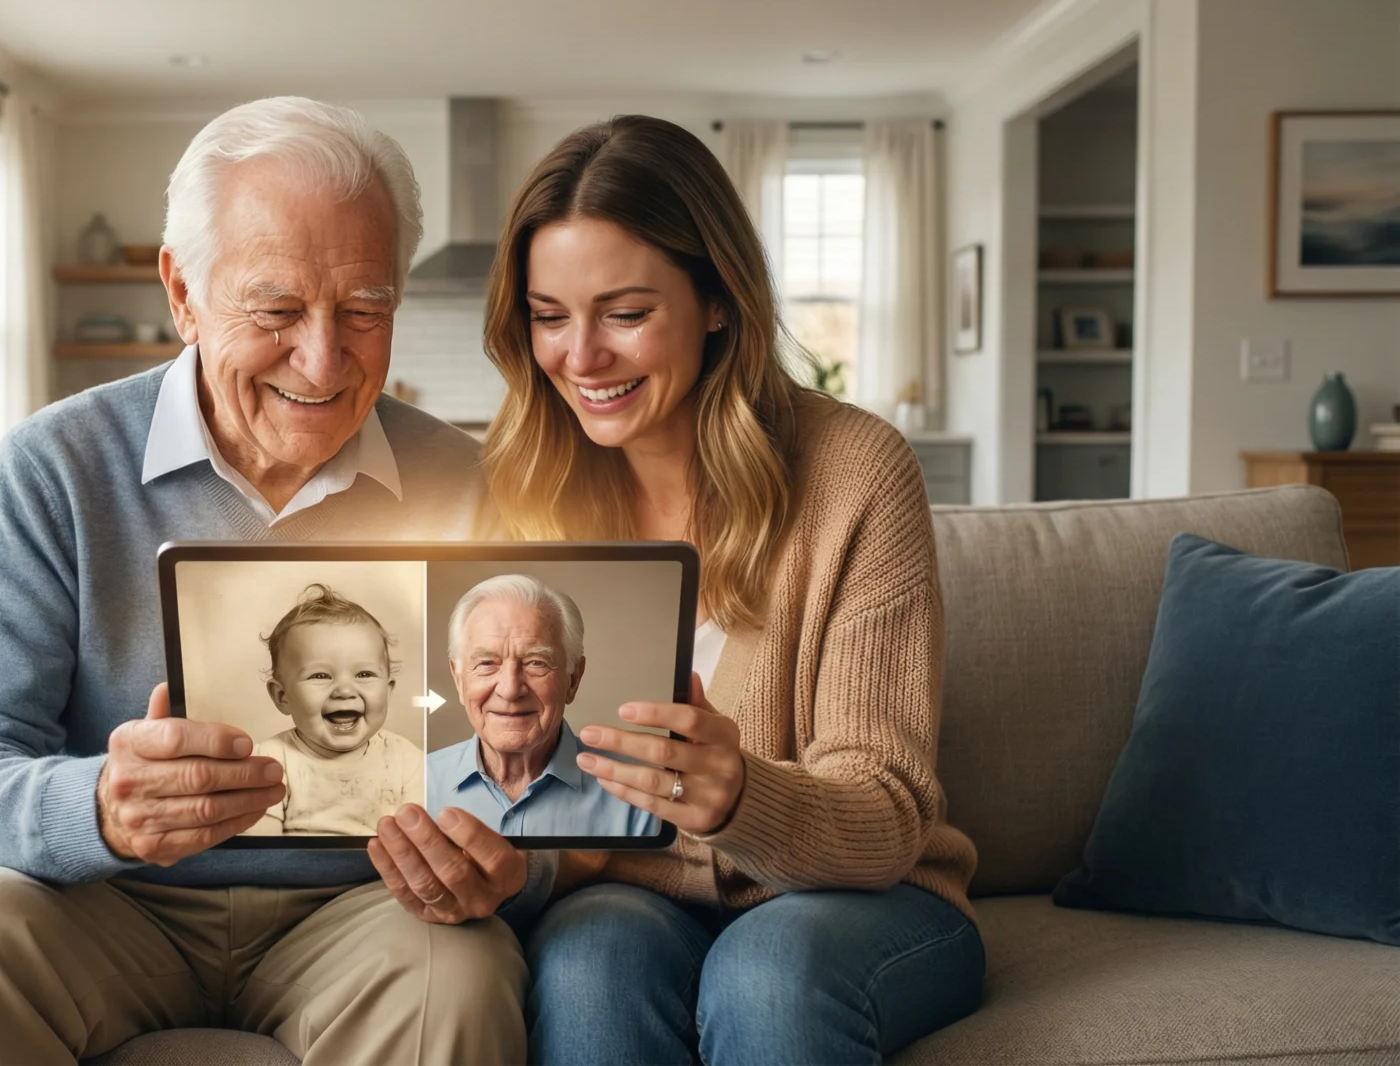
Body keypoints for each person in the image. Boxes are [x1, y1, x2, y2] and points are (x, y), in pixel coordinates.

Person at [0, 97, 527, 1066]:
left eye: (365, 311)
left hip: (365, 908)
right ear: (182, 291)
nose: (323, 357)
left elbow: (525, 779)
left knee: (459, 978)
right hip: (99, 900)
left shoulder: (469, 481)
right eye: (277, 309)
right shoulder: (57, 463)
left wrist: (503, 865)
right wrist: (98, 806)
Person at [367, 114, 984, 1065]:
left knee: (767, 977)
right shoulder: (519, 488)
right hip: (635, 898)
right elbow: (535, 801)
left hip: (859, 901)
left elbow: (890, 813)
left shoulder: (855, 471)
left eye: (624, 313)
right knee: (584, 968)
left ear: (718, 302)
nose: (580, 356)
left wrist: (741, 794)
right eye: (548, 315)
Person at [426, 574, 658, 837]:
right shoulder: (412, 786)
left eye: (536, 662)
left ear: (573, 679)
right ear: (459, 679)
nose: (510, 689)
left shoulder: (640, 797)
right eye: (487, 663)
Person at [245, 583, 423, 836]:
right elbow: (261, 851)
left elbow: (425, 839)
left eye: (364, 674)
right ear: (282, 696)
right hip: (296, 873)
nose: (344, 690)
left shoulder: (408, 761)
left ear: (388, 689)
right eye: (320, 675)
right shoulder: (272, 761)